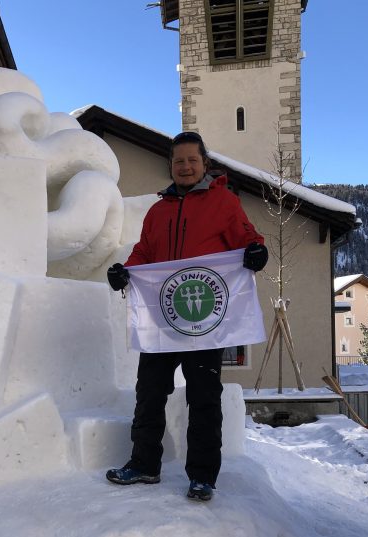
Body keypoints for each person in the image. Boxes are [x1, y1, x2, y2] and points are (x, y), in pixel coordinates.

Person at [105, 131, 268, 501]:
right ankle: (144, 464)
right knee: (148, 393)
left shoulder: (223, 202)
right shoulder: (158, 210)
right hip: (162, 322)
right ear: (171, 165)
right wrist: (125, 271)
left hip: (204, 326)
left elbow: (247, 237)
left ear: (204, 164)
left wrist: (256, 251)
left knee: (204, 398)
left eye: (192, 160)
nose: (185, 166)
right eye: (178, 161)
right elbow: (144, 253)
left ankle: (203, 475)